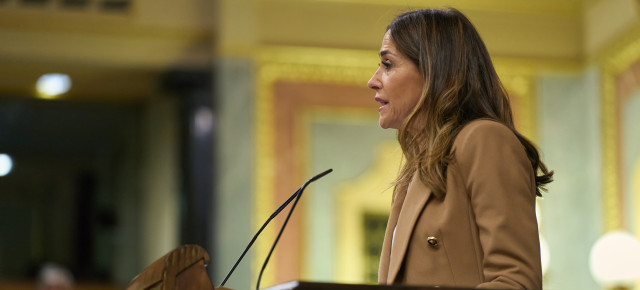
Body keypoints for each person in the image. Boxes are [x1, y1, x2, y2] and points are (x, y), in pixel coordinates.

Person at [367, 8, 553, 289]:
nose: (373, 80)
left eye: (388, 64)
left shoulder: (485, 139)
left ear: (434, 70)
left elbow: (516, 281)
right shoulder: (413, 171)